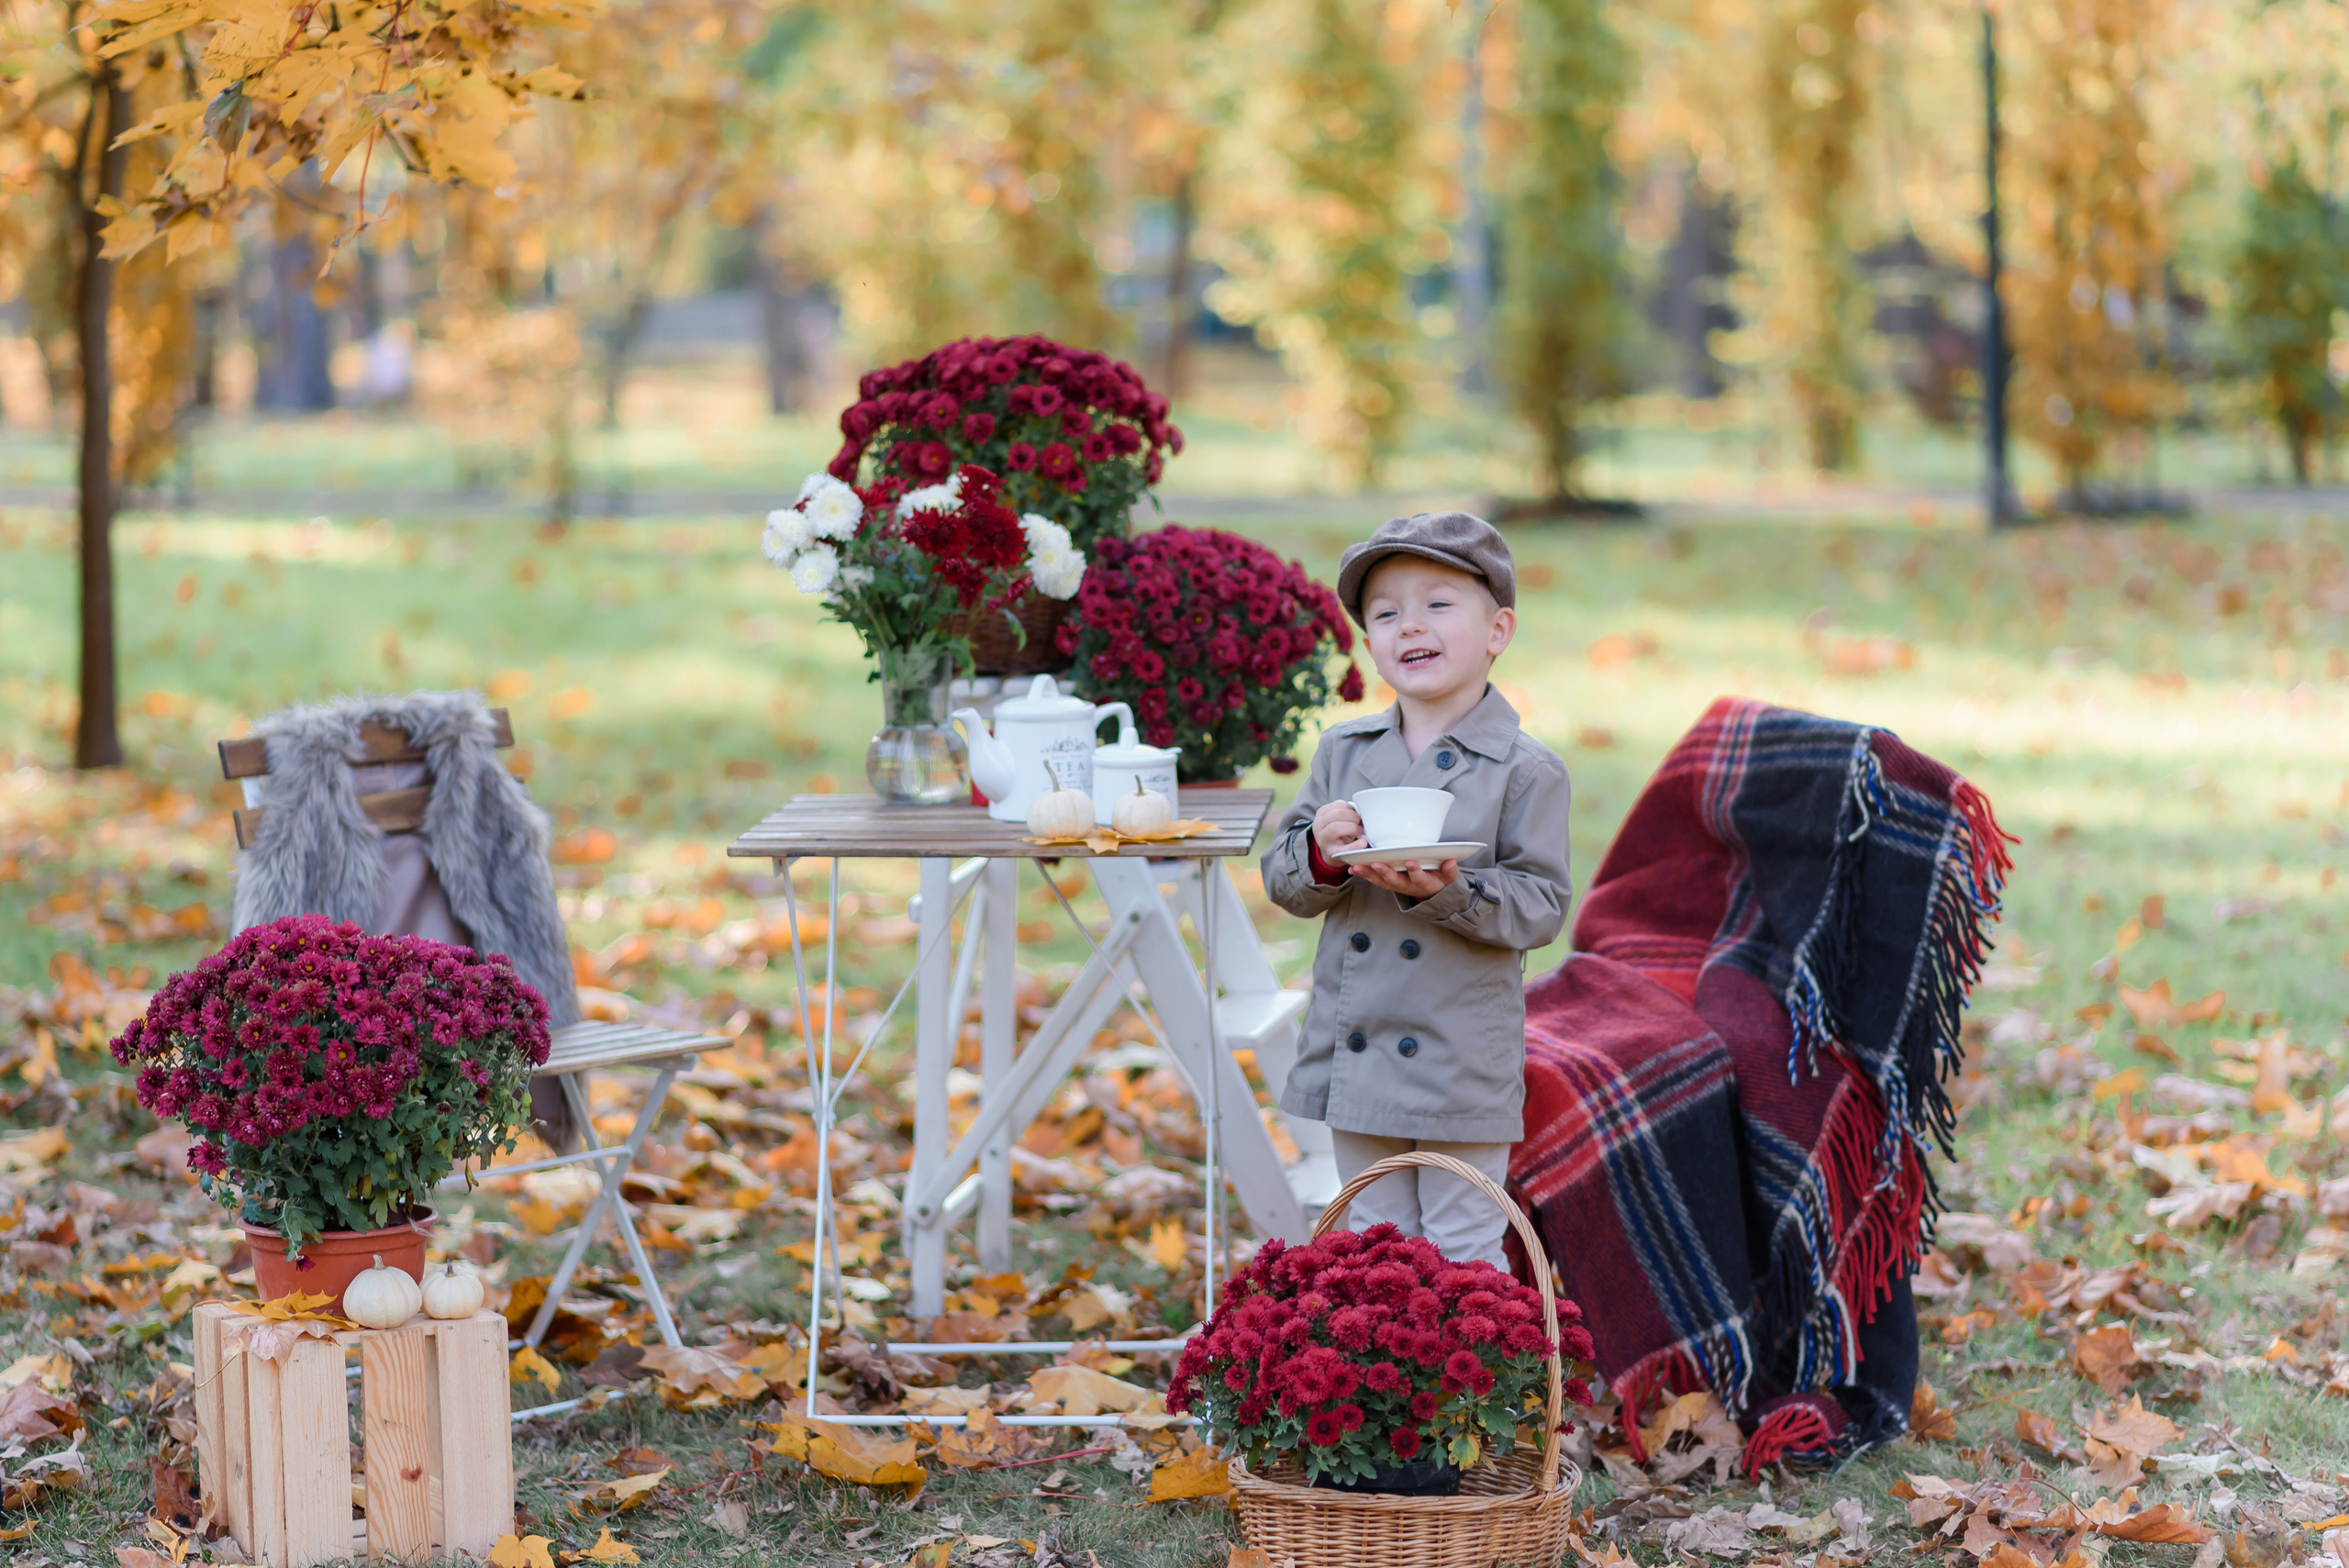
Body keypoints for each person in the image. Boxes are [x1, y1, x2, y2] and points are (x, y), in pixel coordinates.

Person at [1261, 511, 1573, 1269]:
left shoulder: (1525, 769)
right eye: (1386, 612)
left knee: (1465, 1246)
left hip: (1458, 1056)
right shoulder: (1344, 753)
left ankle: (1479, 1386)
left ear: (1497, 630)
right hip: (1359, 1049)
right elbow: (1284, 878)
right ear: (1369, 641)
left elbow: (1542, 906)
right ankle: (1394, 1389)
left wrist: (1450, 890)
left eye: (1438, 604)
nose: (1410, 626)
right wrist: (1324, 855)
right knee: (1378, 1244)